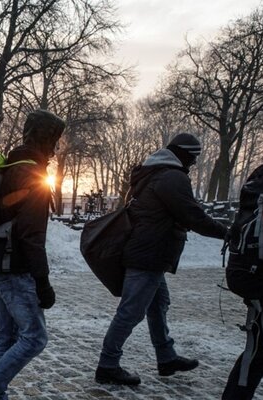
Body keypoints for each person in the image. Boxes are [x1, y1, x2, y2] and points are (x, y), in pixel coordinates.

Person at [94, 133, 227, 386]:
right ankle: (107, 365)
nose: (194, 163)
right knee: (130, 312)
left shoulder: (151, 172)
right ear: (184, 153)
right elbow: (192, 215)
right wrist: (226, 233)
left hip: (147, 252)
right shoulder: (171, 177)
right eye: (194, 157)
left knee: (158, 305)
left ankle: (166, 357)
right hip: (149, 255)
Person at [0, 110, 65, 400]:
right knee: (35, 337)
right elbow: (31, 235)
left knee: (6, 336)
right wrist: (43, 283)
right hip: (14, 268)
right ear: (44, 138)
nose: (56, 148)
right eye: (54, 140)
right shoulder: (32, 173)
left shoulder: (10, 167)